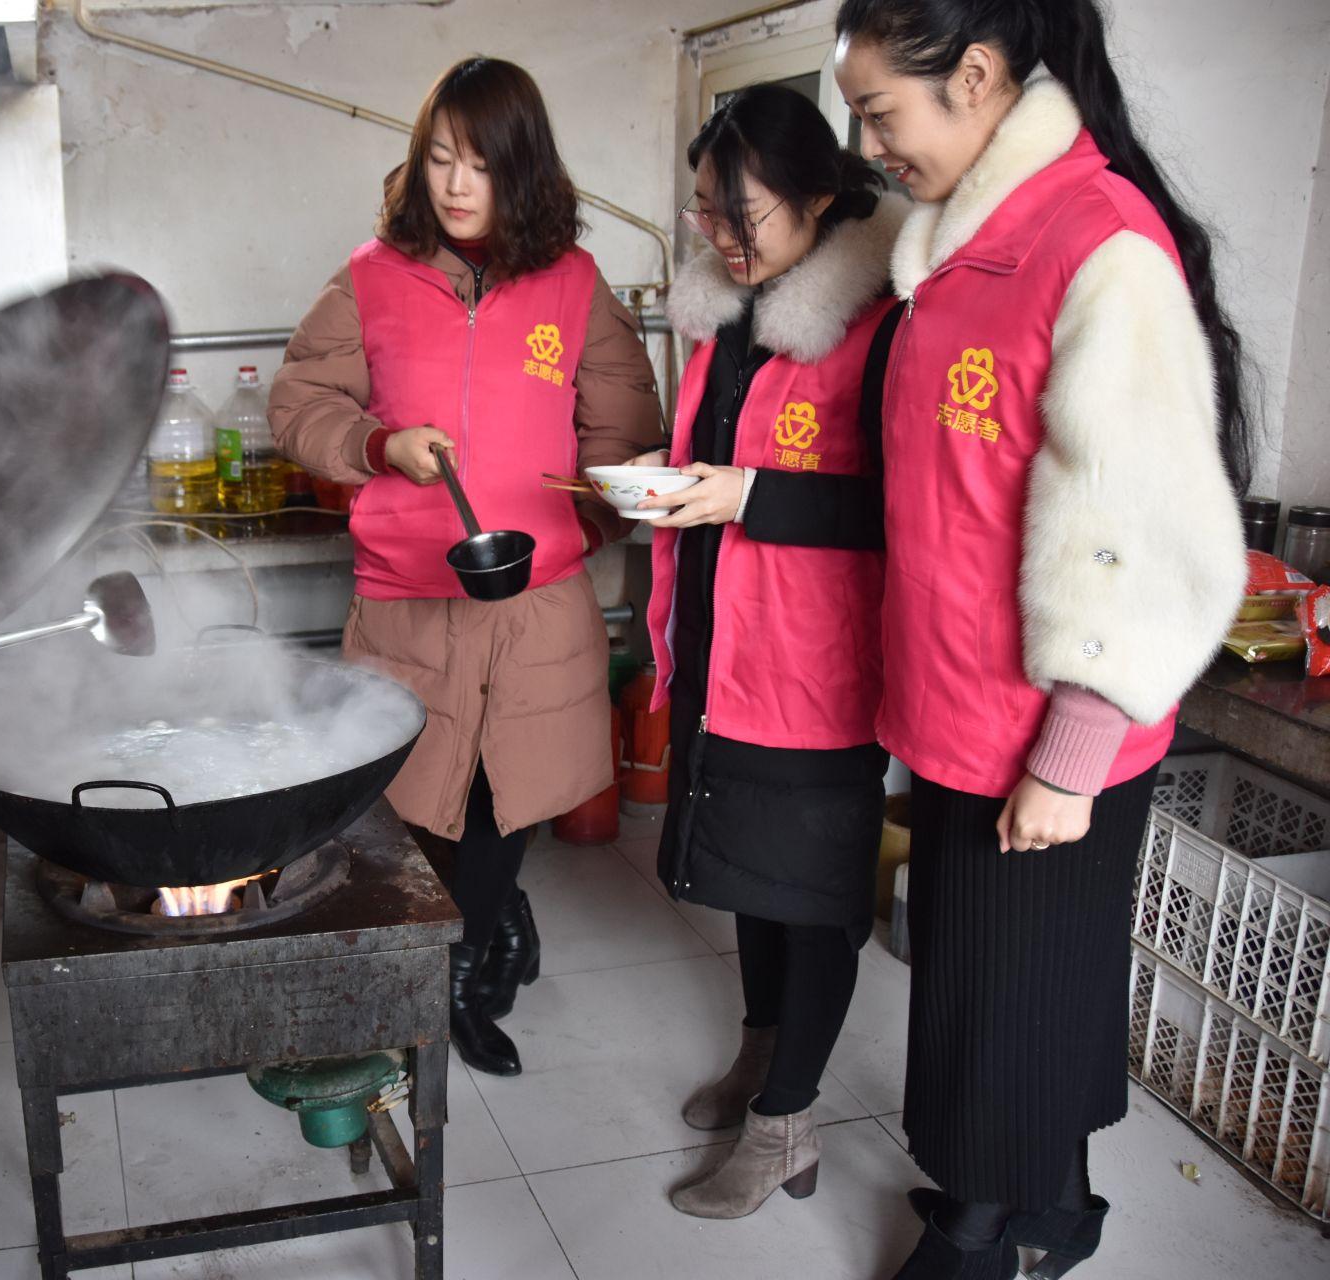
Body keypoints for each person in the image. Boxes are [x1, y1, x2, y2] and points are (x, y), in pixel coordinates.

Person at [833, 1, 1248, 1275]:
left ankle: (981, 1227)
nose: (868, 143)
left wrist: (1070, 752)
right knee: (1012, 982)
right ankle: (1053, 1213)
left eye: (881, 112)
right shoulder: (959, 243)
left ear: (974, 76)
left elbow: (1140, 523)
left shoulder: (1096, 242)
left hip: (1045, 731)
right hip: (962, 708)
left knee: (999, 1004)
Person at [269, 56, 662, 1077]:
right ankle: (483, 930)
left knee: (503, 799)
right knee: (410, 803)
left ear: (520, 171)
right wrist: (376, 446)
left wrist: (572, 531)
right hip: (409, 601)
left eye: (480, 164)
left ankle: (458, 973)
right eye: (440, 157)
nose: (454, 184)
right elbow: (300, 402)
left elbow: (625, 436)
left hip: (533, 603)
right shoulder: (371, 276)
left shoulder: (573, 283)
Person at [629, 83, 908, 1221]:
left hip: (816, 666)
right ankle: (762, 1055)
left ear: (822, 197)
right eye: (705, 213)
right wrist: (674, 479)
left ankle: (789, 1123)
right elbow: (718, 458)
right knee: (747, 873)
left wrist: (748, 493)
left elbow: (906, 511)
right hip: (721, 644)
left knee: (814, 895)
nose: (720, 238)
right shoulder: (727, 319)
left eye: (741, 216)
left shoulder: (884, 324)